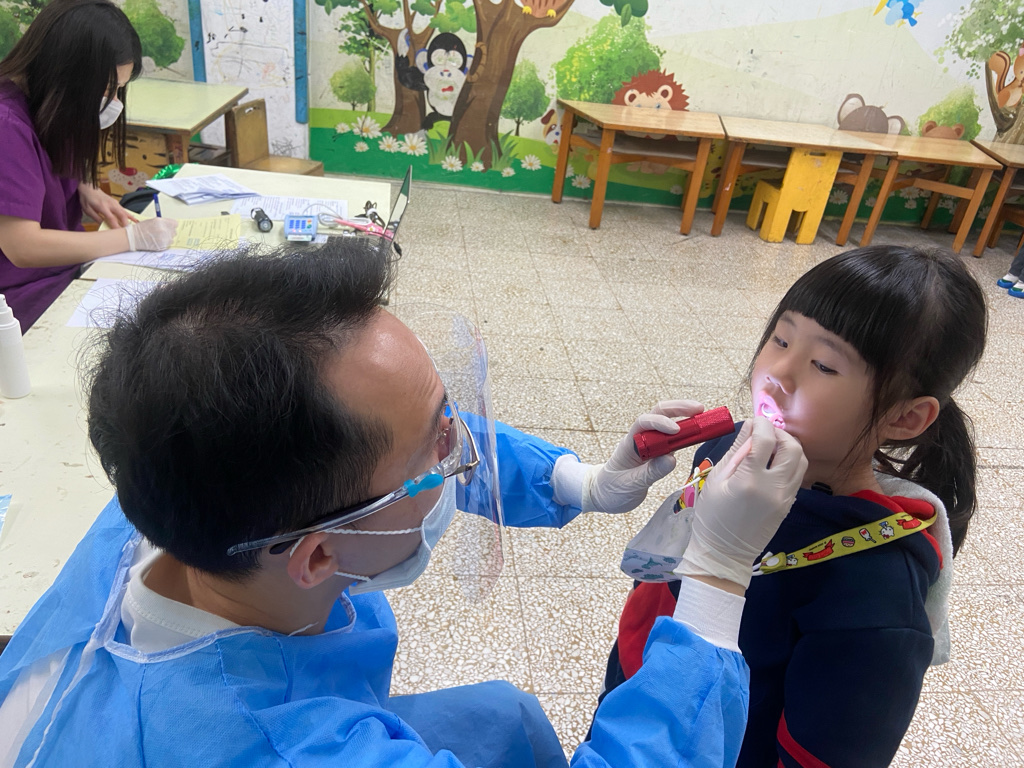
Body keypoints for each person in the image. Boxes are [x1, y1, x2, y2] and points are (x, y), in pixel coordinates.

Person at [0, 238, 807, 767]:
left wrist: (584, 482)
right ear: (320, 553)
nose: (460, 448)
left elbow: (403, 442)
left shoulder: (192, 479)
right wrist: (718, 576)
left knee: (505, 718)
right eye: (437, 445)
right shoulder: (283, 748)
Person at [599, 246, 987, 767]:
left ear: (904, 418)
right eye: (780, 339)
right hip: (635, 700)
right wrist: (597, 485)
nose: (777, 372)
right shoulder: (726, 447)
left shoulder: (877, 599)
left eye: (824, 365)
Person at [0, 0, 178, 331]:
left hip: (63, 270)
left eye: (120, 90)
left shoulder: (48, 101)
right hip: (21, 296)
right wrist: (132, 238)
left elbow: (43, 157)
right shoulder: (6, 126)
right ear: (66, 74)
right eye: (108, 90)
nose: (114, 103)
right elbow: (23, 247)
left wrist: (84, 185)